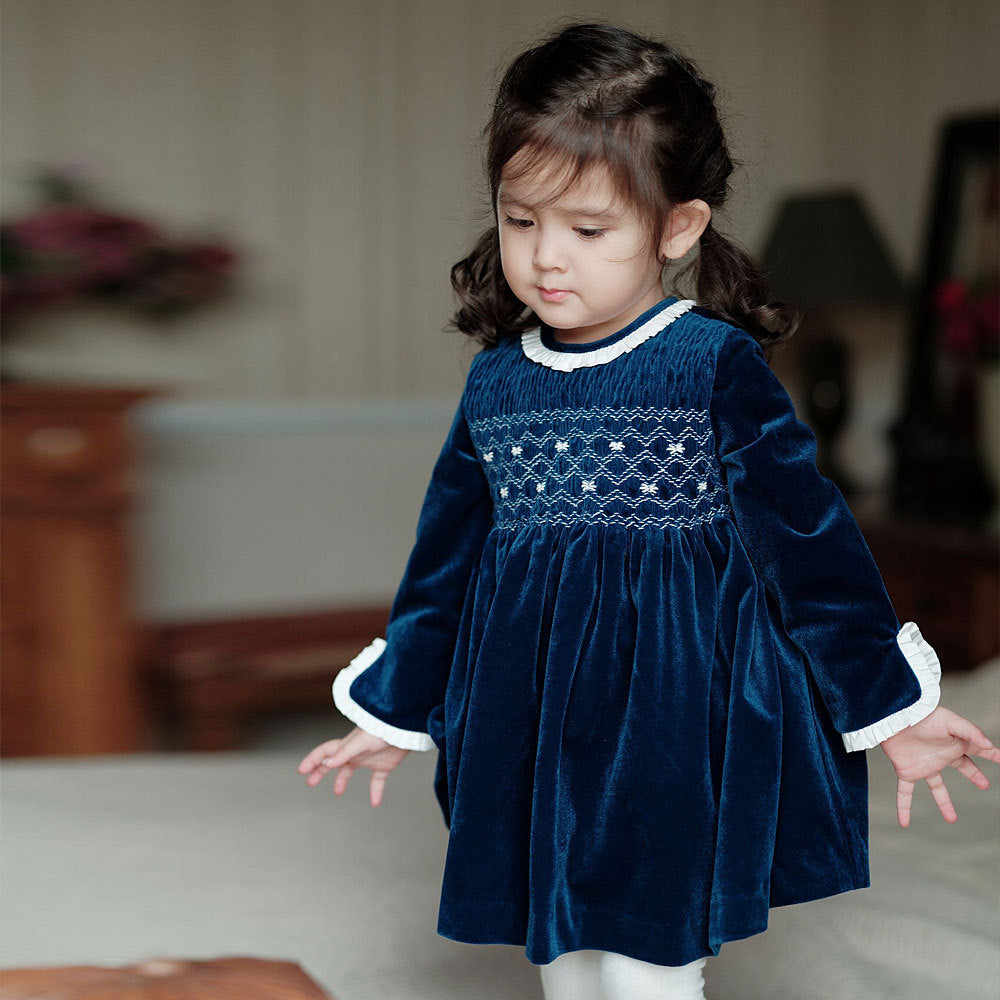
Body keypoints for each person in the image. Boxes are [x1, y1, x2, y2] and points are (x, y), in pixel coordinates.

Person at [297, 20, 999, 1000]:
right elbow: (445, 558)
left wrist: (892, 710)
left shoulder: (708, 364)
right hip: (534, 702)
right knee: (564, 947)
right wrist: (395, 707)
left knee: (647, 954)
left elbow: (807, 542)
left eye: (588, 230)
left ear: (676, 227)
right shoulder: (499, 381)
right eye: (519, 220)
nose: (546, 259)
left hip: (673, 700)